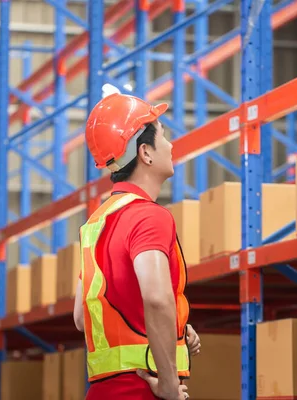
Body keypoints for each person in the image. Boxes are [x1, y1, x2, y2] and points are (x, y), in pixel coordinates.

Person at [73, 92, 201, 400]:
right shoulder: (148, 216)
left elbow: (81, 316)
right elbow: (156, 298)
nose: (170, 145)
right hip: (141, 391)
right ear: (145, 153)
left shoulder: (97, 223)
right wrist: (169, 384)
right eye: (164, 136)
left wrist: (176, 327)